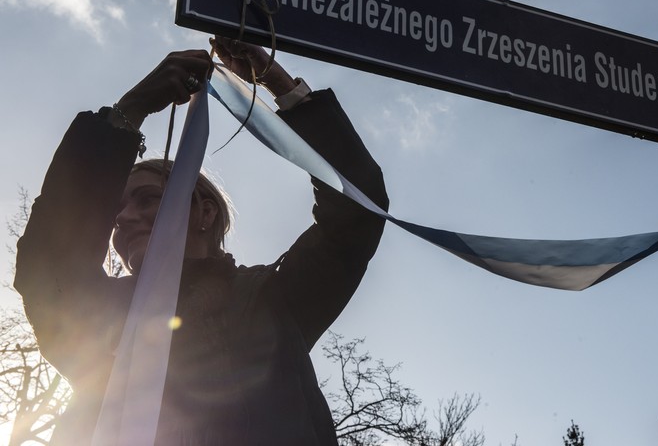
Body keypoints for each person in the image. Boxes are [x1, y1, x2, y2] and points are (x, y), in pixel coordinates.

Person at [14, 38, 389, 445]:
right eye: (114, 210)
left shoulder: (271, 298)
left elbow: (356, 210)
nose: (122, 218)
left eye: (148, 198)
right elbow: (47, 265)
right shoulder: (96, 313)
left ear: (205, 212)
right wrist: (128, 113)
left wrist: (280, 84)